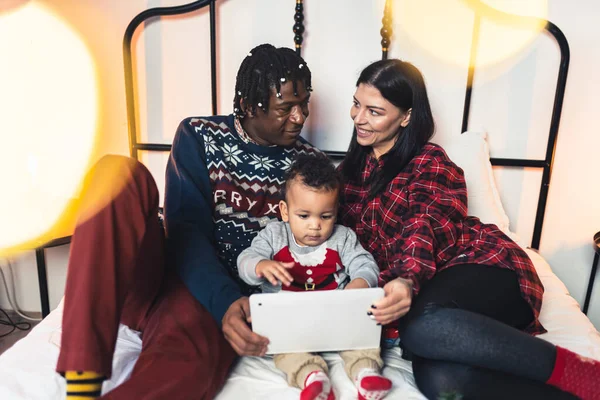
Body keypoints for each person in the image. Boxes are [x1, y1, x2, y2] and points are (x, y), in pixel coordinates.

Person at [55, 43, 320, 399]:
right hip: (169, 274)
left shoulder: (310, 166)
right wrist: (224, 299)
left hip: (214, 302)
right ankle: (82, 378)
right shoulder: (199, 134)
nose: (300, 117)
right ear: (246, 106)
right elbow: (185, 231)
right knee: (115, 174)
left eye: (304, 104)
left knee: (184, 368)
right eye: (286, 108)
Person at [337, 59, 600, 400]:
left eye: (374, 111)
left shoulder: (429, 161)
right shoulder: (348, 176)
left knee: (421, 326)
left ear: (406, 117)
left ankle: (582, 371)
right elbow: (336, 243)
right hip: (430, 297)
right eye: (356, 104)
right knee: (444, 384)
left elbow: (424, 223)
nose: (358, 118)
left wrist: (405, 279)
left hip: (482, 266)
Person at [237, 153, 392, 400]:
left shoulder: (343, 237)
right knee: (285, 352)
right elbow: (245, 259)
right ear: (285, 211)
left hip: (337, 321)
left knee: (364, 341)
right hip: (290, 325)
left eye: (325, 216)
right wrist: (259, 265)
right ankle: (313, 378)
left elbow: (365, 262)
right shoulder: (273, 235)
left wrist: (360, 282)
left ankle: (366, 375)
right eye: (304, 215)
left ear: (336, 212)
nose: (315, 225)